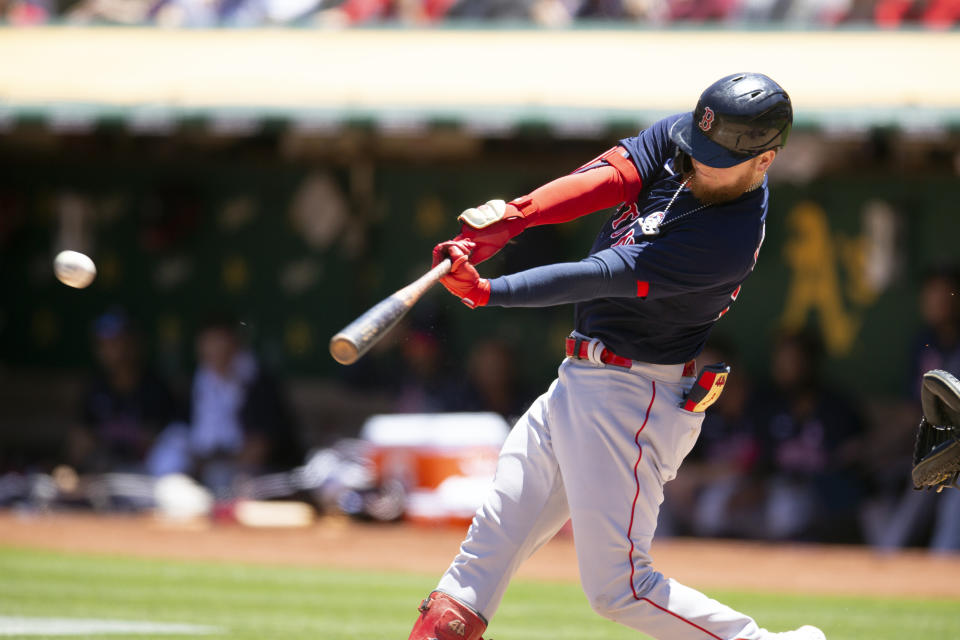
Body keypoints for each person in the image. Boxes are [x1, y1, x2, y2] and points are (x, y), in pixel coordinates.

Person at [408, 73, 826, 640]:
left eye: (716, 159)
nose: (697, 163)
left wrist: (488, 290)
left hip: (634, 399)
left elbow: (599, 276)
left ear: (764, 160)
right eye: (696, 149)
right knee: (479, 562)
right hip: (580, 381)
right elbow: (607, 178)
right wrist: (511, 220)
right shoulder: (686, 138)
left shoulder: (725, 241)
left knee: (619, 588)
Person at [68, 309, 178, 474]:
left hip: (147, 475)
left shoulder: (155, 388)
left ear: (134, 344)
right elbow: (79, 439)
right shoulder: (95, 388)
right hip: (103, 473)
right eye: (105, 344)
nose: (113, 350)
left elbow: (167, 441)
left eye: (118, 342)